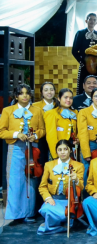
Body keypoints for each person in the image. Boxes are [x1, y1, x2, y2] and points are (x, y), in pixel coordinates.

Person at [0, 84, 45, 223]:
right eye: (21, 93)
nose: (25, 95)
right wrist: (16, 134)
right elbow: (2, 131)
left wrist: (35, 136)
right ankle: (15, 214)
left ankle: (29, 213)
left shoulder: (37, 111)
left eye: (27, 93)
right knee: (15, 180)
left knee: (30, 179)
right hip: (16, 147)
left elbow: (42, 130)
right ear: (16, 96)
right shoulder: (8, 110)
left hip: (33, 148)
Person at [37, 140, 84, 234]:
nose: (62, 152)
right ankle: (63, 227)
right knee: (46, 210)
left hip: (69, 201)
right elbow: (42, 186)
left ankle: (50, 226)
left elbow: (82, 187)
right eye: (60, 150)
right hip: (54, 199)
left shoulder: (79, 166)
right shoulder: (49, 165)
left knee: (68, 213)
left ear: (70, 150)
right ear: (56, 152)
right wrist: (48, 198)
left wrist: (76, 180)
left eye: (65, 149)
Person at [77, 87, 97, 185]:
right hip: (89, 145)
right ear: (92, 98)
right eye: (96, 96)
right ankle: (86, 196)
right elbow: (83, 133)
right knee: (87, 171)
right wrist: (86, 153)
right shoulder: (84, 112)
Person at [72, 13, 97, 95]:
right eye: (90, 19)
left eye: (94, 20)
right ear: (86, 21)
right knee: (82, 84)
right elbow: (74, 51)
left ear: (96, 22)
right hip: (84, 65)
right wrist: (82, 62)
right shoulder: (80, 33)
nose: (92, 21)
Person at [44, 88, 79, 159]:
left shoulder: (75, 112)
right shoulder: (51, 113)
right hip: (60, 149)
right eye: (65, 97)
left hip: (73, 149)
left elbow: (79, 129)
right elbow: (51, 136)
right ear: (59, 99)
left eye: (70, 98)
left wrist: (78, 139)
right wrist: (56, 154)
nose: (68, 100)